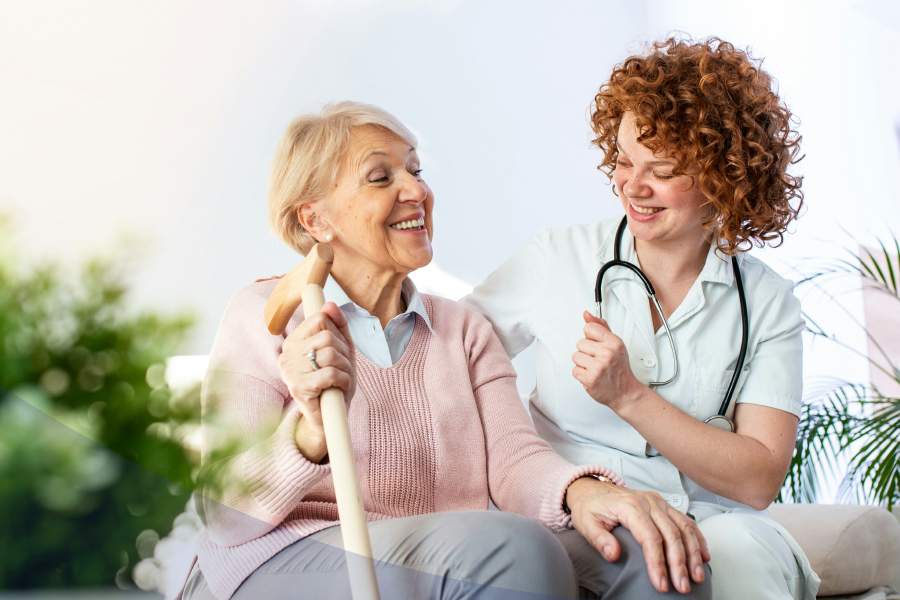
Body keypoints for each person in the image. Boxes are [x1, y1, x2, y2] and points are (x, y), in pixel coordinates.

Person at [180, 101, 711, 600]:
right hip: (283, 558)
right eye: (381, 176)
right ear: (315, 219)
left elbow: (515, 462)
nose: (415, 189)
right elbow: (226, 517)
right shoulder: (264, 316)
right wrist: (311, 431)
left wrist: (586, 492)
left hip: (444, 549)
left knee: (659, 553)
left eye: (416, 171)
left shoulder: (462, 330)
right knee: (513, 551)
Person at [463, 37, 820, 600]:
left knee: (736, 557)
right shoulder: (557, 259)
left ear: (724, 176)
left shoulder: (768, 303)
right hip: (581, 515)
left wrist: (628, 394)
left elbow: (757, 477)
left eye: (662, 170)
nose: (633, 186)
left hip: (717, 522)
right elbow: (448, 357)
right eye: (625, 161)